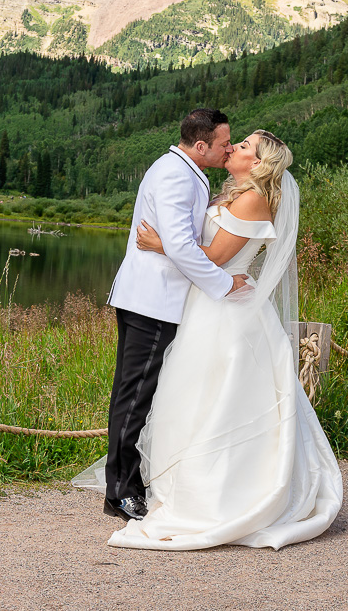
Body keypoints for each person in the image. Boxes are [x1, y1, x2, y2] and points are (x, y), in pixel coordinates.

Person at [106, 130, 343, 550]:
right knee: (194, 395)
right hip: (209, 300)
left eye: (245, 146)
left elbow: (214, 257)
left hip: (228, 308)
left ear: (258, 164)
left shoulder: (254, 199)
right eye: (235, 142)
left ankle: (220, 488)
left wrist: (159, 244)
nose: (233, 148)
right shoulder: (237, 192)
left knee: (220, 397)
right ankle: (177, 480)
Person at [97, 108, 251, 521]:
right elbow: (182, 247)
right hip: (152, 301)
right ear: (201, 146)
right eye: (222, 144)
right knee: (134, 395)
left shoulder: (186, 172)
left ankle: (127, 482)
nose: (228, 149)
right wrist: (224, 286)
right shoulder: (174, 174)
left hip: (158, 299)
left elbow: (178, 240)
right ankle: (121, 492)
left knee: (139, 394)